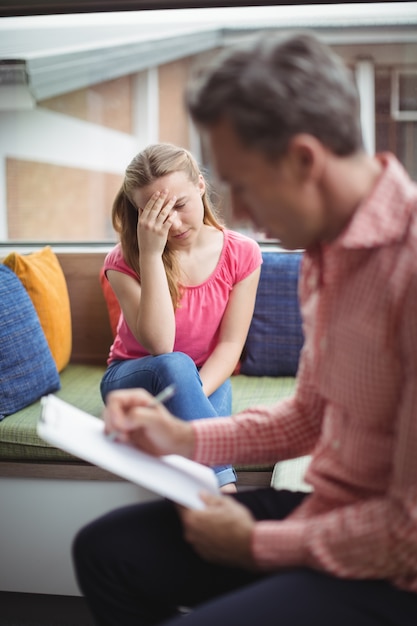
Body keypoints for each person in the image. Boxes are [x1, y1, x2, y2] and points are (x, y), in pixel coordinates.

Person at [73, 32, 417, 626]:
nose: (245, 214)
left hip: (388, 565)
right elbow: (309, 415)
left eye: (248, 185)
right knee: (105, 552)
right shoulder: (327, 254)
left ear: (304, 160)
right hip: (324, 511)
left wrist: (257, 546)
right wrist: (182, 440)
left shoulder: (405, 271)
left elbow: (407, 530)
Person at [99, 143, 262, 491]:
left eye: (179, 205)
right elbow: (160, 345)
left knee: (195, 405)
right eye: (156, 213)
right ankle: (227, 494)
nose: (171, 223)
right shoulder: (123, 261)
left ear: (200, 186)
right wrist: (152, 254)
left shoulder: (243, 254)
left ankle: (202, 527)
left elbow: (231, 344)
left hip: (204, 377)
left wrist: (187, 396)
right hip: (134, 378)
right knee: (175, 364)